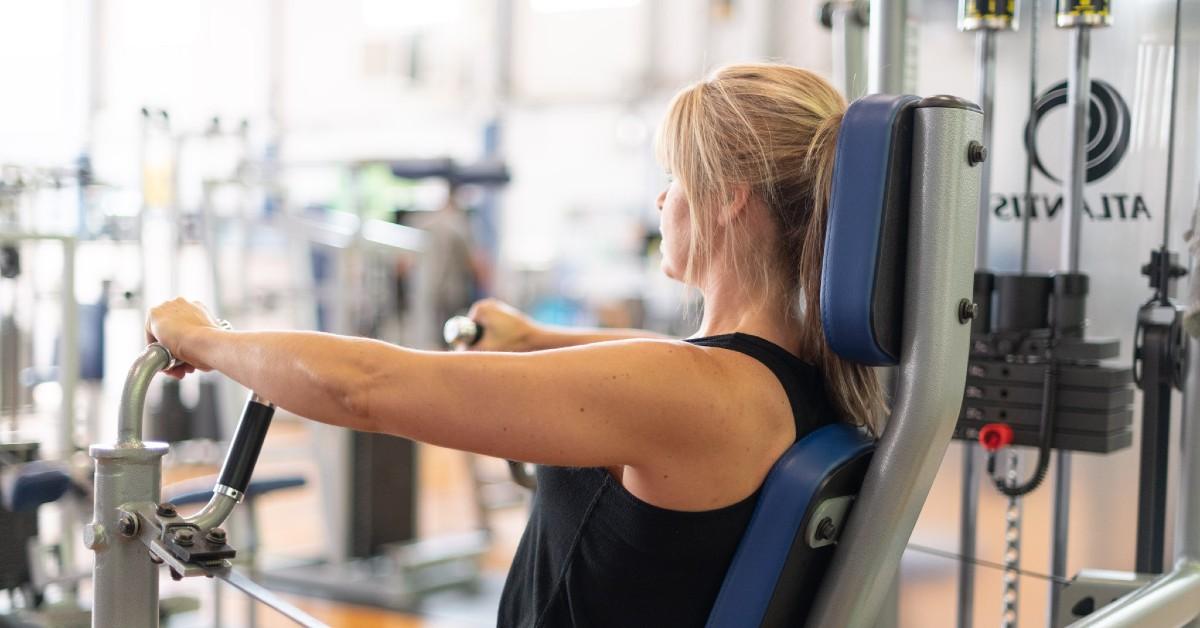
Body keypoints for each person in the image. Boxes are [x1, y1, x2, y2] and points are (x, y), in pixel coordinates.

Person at [145, 63, 885, 626]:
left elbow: (361, 386)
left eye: (675, 177)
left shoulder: (692, 393)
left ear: (731, 198)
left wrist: (205, 339)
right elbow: (658, 355)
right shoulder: (797, 379)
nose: (662, 199)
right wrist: (533, 339)